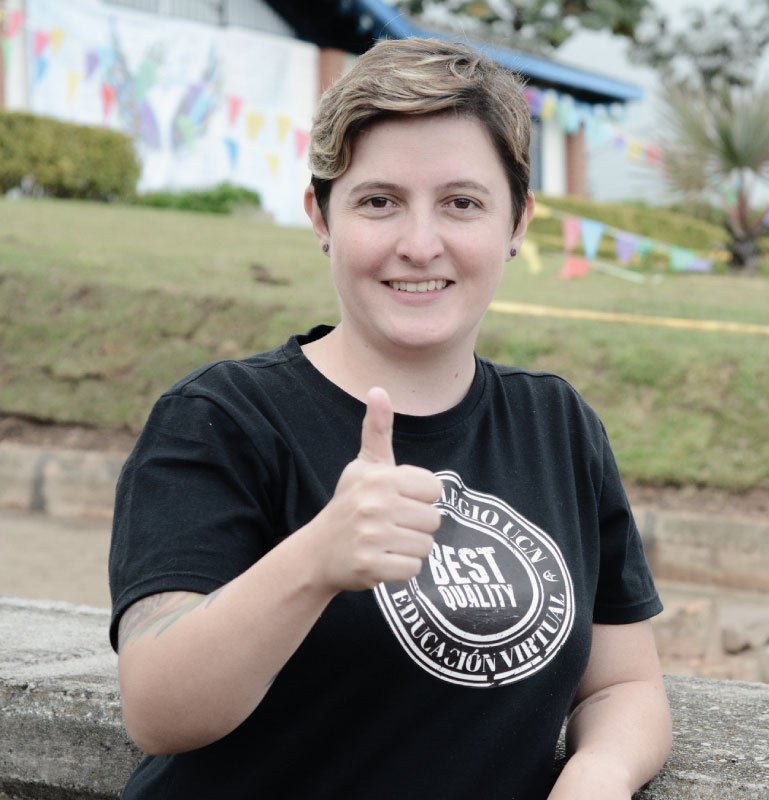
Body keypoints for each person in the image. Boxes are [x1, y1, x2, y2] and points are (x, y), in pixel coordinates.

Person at [107, 37, 671, 799]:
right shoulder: (219, 420)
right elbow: (157, 709)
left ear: (517, 224)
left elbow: (623, 684)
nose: (419, 243)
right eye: (379, 201)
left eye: (461, 203)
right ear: (321, 216)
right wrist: (314, 563)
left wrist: (596, 775)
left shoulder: (558, 424)